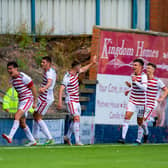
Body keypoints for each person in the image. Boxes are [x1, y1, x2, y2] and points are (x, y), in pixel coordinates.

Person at [57, 56, 97, 146]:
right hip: (70, 100)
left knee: (76, 120)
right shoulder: (67, 76)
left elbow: (84, 69)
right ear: (75, 67)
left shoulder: (76, 73)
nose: (80, 68)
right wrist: (59, 101)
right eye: (79, 66)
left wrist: (92, 63)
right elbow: (61, 89)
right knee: (76, 118)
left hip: (76, 100)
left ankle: (67, 137)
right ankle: (77, 141)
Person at [2, 61, 37, 146]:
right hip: (22, 101)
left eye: (11, 69)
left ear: (16, 68)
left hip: (28, 99)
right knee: (22, 123)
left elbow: (33, 88)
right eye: (8, 69)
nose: (9, 71)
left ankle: (10, 136)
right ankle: (33, 141)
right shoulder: (13, 80)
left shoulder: (24, 77)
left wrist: (35, 101)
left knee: (17, 116)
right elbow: (19, 90)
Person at [136, 63, 168, 144]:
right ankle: (146, 132)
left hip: (151, 103)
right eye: (147, 68)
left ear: (153, 70)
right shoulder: (143, 80)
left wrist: (162, 98)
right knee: (141, 121)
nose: (147, 70)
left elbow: (166, 90)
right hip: (143, 102)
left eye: (149, 68)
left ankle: (138, 140)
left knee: (142, 120)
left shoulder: (157, 81)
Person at [118, 58, 147, 144]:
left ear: (141, 67)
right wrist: (129, 89)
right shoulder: (132, 75)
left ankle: (141, 137)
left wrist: (135, 81)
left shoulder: (143, 76)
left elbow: (144, 88)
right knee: (127, 117)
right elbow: (135, 86)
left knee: (140, 122)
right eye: (133, 65)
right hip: (133, 100)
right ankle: (123, 138)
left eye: (135, 65)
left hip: (141, 102)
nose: (133, 67)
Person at [33, 56, 56, 145]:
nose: (42, 64)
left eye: (44, 62)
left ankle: (50, 138)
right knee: (35, 115)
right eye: (41, 62)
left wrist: (44, 88)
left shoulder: (49, 72)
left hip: (46, 97)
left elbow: (49, 82)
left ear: (49, 63)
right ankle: (35, 139)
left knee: (38, 117)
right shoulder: (50, 71)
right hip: (44, 97)